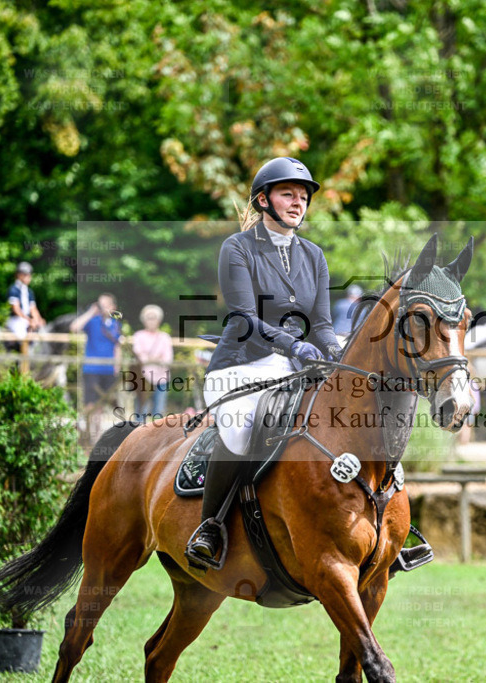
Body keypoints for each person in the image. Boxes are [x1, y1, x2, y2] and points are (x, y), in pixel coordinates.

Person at [186, 157, 342, 569]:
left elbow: (322, 324)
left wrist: (336, 347)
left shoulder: (314, 255)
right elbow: (243, 317)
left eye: (303, 196)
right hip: (241, 363)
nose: (298, 203)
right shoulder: (237, 248)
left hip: (294, 368)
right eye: (288, 194)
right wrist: (296, 345)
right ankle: (211, 526)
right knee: (239, 429)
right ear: (263, 199)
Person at [70, 294, 123, 416]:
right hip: (91, 369)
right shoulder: (92, 321)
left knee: (102, 404)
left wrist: (117, 367)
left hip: (108, 370)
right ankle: (89, 431)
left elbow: (117, 347)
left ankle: (97, 432)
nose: (102, 307)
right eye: (100, 304)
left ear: (113, 307)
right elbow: (74, 327)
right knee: (90, 403)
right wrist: (90, 312)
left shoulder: (115, 325)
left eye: (106, 304)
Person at [131, 304, 174, 420]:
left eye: (154, 317)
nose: (151, 321)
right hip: (143, 380)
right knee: (141, 412)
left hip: (162, 379)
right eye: (149, 318)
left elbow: (168, 359)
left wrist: (149, 358)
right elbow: (140, 357)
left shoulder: (164, 337)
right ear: (144, 320)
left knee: (158, 413)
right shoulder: (138, 336)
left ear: (159, 320)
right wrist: (156, 358)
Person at [5, 261, 45, 351]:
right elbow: (16, 309)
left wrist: (38, 320)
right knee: (22, 336)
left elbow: (33, 309)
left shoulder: (29, 291)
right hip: (16, 320)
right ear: (19, 275)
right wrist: (29, 320)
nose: (29, 278)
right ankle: (20, 362)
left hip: (26, 320)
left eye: (29, 275)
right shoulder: (13, 289)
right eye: (26, 275)